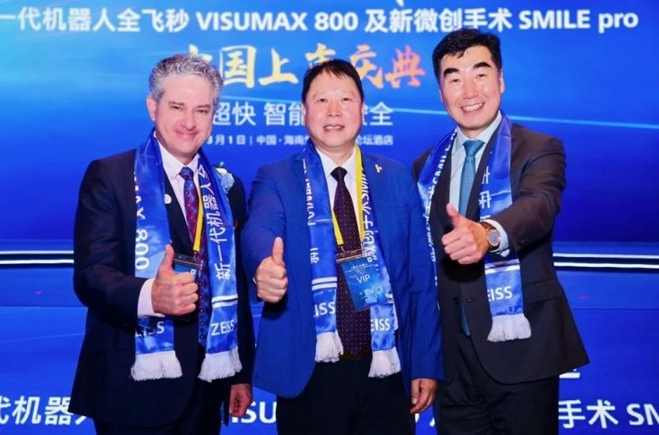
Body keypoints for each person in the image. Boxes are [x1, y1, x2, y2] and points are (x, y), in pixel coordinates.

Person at [242, 59, 443, 435]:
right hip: (311, 372)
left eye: (345, 100)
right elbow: (260, 228)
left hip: (386, 368)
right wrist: (263, 265)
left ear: (363, 110)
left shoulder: (396, 177)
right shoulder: (277, 177)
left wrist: (426, 363)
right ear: (303, 112)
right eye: (321, 101)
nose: (334, 111)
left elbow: (420, 278)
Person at [413, 28, 589, 434]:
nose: (469, 90)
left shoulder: (538, 148)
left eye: (480, 74)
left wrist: (489, 233)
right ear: (441, 92)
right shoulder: (425, 167)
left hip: (522, 352)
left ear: (501, 80)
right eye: (454, 78)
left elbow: (539, 205)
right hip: (452, 364)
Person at [69, 54, 255, 435]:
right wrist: (150, 297)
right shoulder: (111, 176)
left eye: (202, 110)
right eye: (177, 107)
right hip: (131, 387)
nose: (190, 122)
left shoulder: (227, 188)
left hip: (206, 386)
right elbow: (90, 275)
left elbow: (232, 282)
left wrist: (240, 372)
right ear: (153, 107)